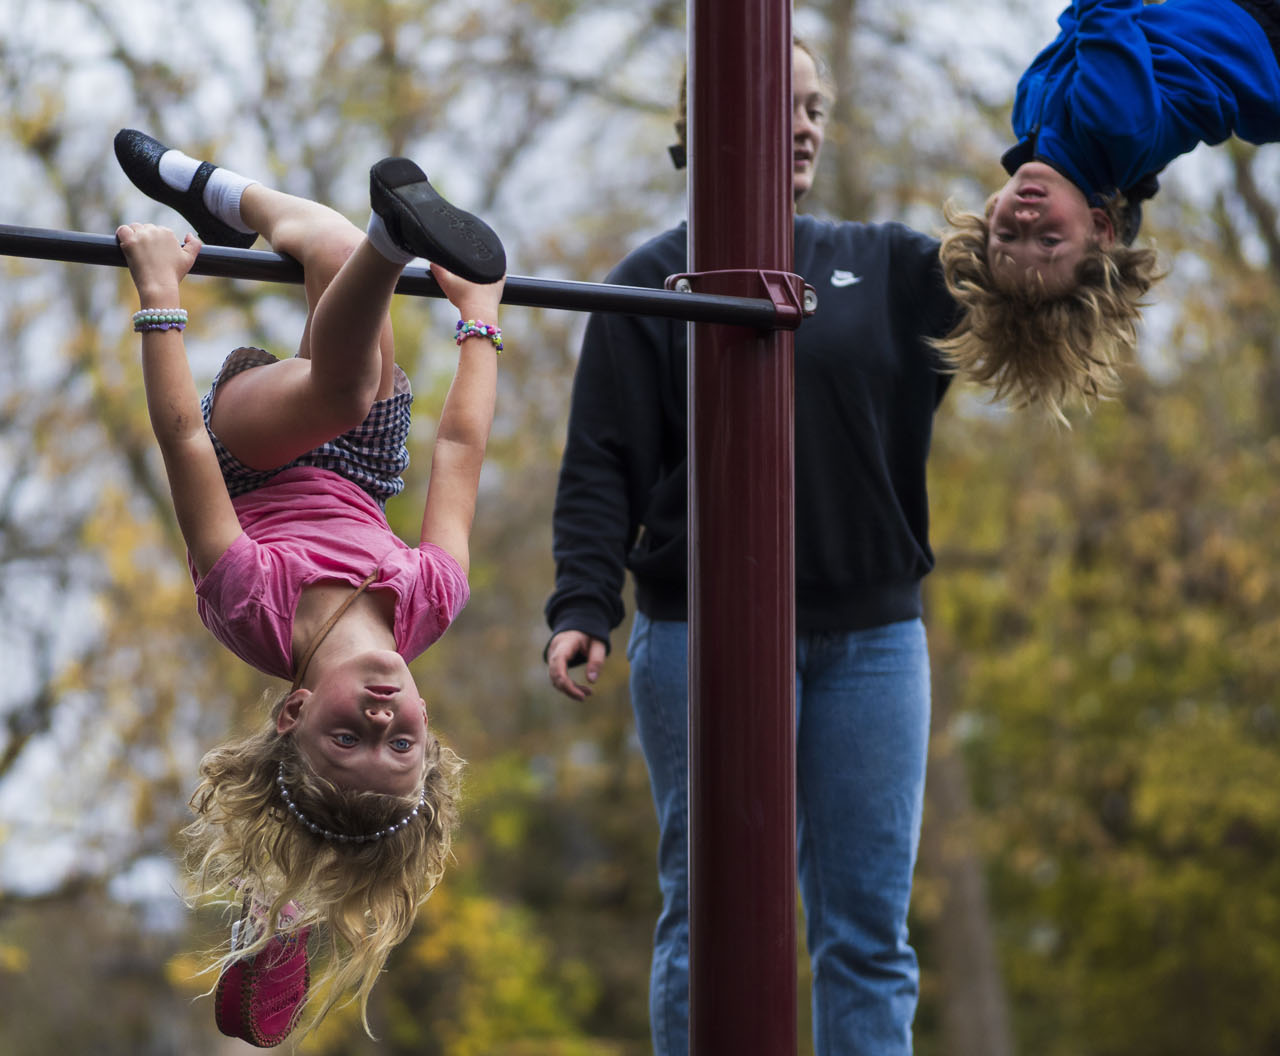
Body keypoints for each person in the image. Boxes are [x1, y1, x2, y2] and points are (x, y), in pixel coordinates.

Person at [544, 42, 959, 1056]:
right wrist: (581, 607)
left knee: (868, 933)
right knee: (710, 912)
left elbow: (1032, 269)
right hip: (705, 638)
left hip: (872, 642)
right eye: (785, 105)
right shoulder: (646, 284)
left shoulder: (892, 266)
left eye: (816, 108)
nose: (807, 125)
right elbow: (602, 463)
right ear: (708, 125)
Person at [112, 129, 506, 1044]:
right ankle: (216, 193)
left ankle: (386, 233)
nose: (378, 716)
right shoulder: (430, 601)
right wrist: (480, 319)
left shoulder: (253, 604)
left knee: (343, 373)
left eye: (346, 735)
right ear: (427, 732)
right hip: (369, 462)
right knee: (328, 249)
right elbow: (458, 450)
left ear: (292, 716)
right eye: (399, 743)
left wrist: (161, 297)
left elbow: (180, 446)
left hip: (250, 451)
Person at [936, 0, 1280, 418]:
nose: (1024, 221)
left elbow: (1078, 20)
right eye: (1048, 240)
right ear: (1100, 228)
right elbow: (1107, 10)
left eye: (1006, 237)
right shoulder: (1110, 127)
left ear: (991, 216)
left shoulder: (1030, 118)